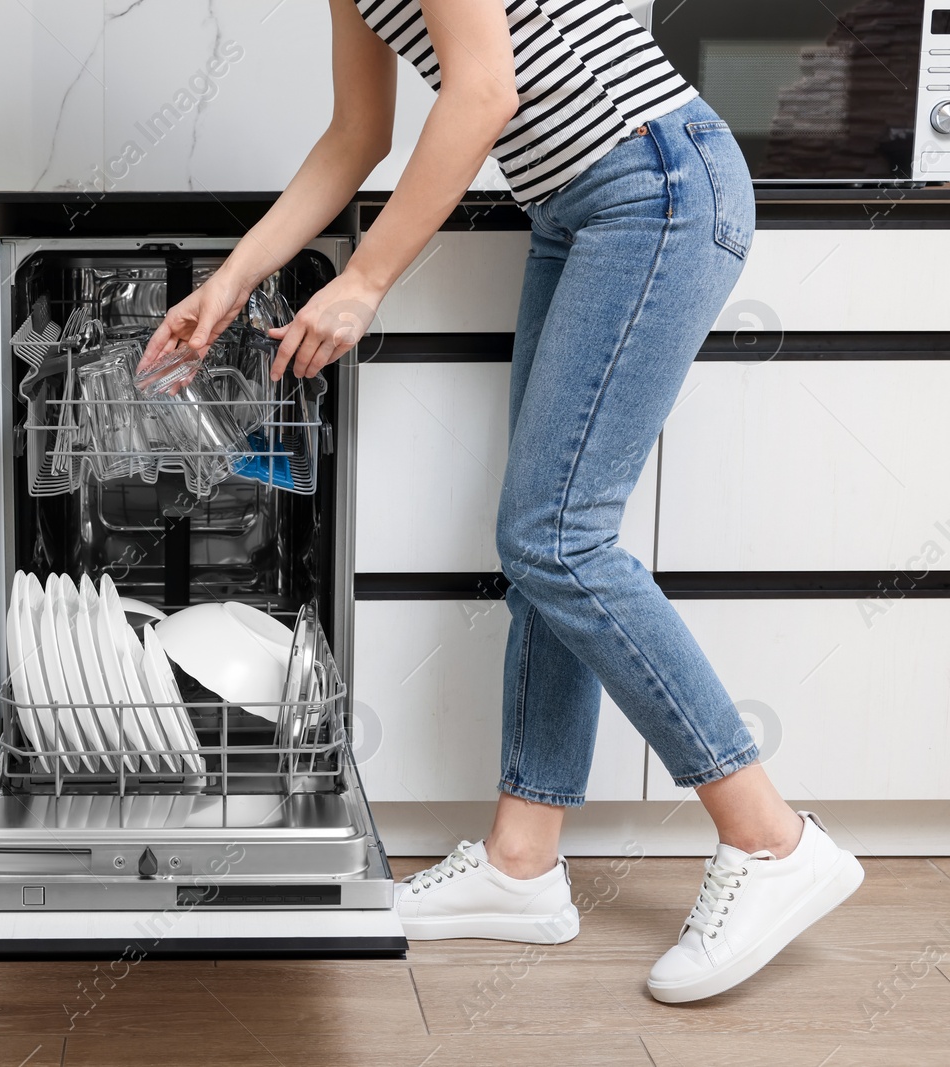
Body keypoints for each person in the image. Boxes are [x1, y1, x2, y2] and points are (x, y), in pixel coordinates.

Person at [139, 0, 864, 1003]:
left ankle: (771, 838)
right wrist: (226, 284)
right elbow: (357, 134)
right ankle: (522, 861)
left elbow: (484, 90)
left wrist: (364, 278)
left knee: (555, 539)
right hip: (583, 206)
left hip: (654, 180)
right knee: (545, 544)